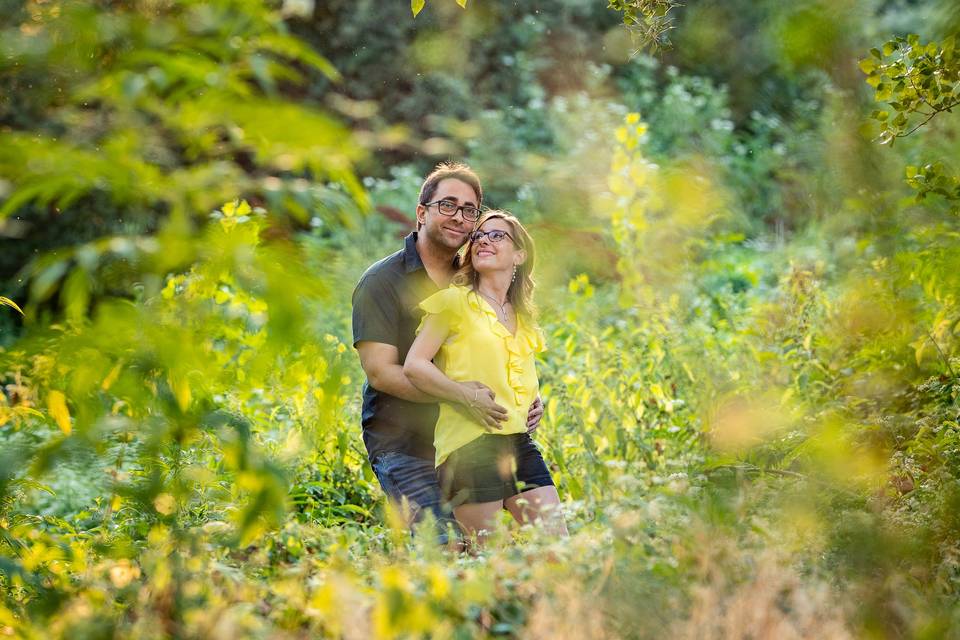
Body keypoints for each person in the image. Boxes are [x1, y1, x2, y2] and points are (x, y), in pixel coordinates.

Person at [351, 162, 544, 543]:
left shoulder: (476, 274)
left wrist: (523, 399)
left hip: (475, 437)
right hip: (405, 442)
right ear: (422, 213)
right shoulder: (381, 282)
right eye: (448, 205)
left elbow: (502, 346)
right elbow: (380, 372)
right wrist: (461, 397)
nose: (459, 216)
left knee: (506, 546)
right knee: (443, 545)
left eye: (469, 209)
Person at [404, 210, 567, 544]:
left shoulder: (522, 314)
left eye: (497, 236)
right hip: (470, 444)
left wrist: (533, 404)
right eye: (479, 236)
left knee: (557, 545)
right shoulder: (454, 302)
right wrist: (464, 395)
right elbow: (415, 365)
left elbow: (516, 376)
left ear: (519, 255)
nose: (483, 241)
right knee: (485, 557)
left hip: (519, 442)